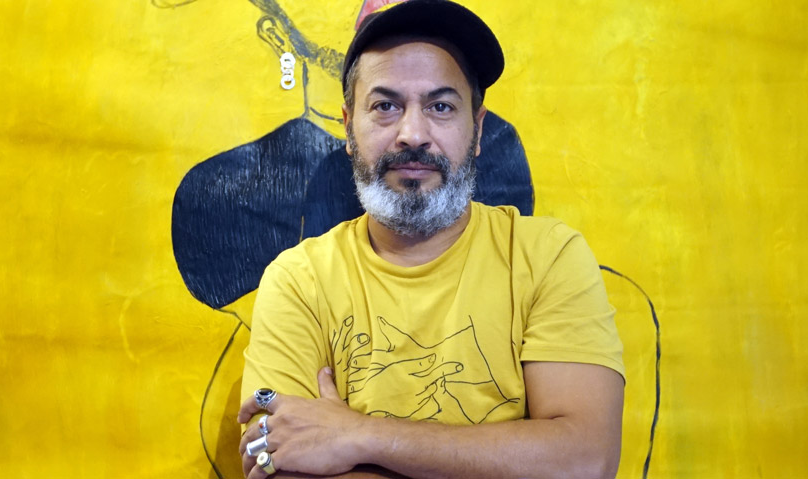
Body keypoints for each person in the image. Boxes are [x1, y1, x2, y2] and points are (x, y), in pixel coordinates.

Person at [237, 0, 625, 478]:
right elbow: (277, 466)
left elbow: (584, 461)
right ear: (349, 129)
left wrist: (360, 436)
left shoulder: (547, 256)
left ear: (477, 129)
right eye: (385, 106)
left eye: (440, 106)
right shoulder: (299, 280)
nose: (413, 134)